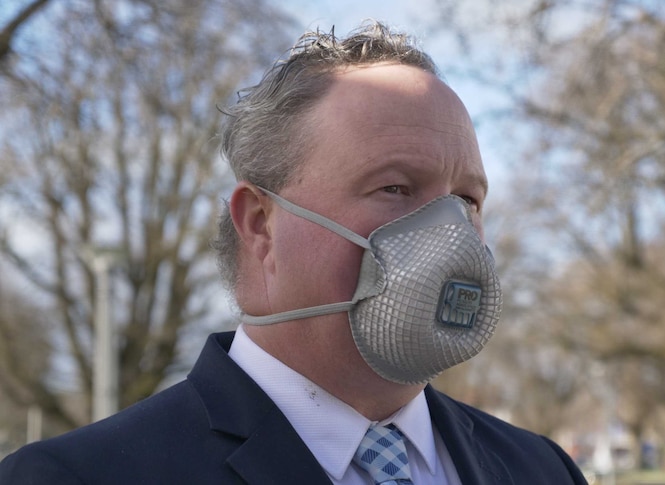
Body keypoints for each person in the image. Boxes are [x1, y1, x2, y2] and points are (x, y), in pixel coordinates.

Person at [0, 21, 589, 484]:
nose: (452, 233)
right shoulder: (76, 477)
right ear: (260, 225)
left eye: (467, 199)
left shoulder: (543, 470)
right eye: (395, 188)